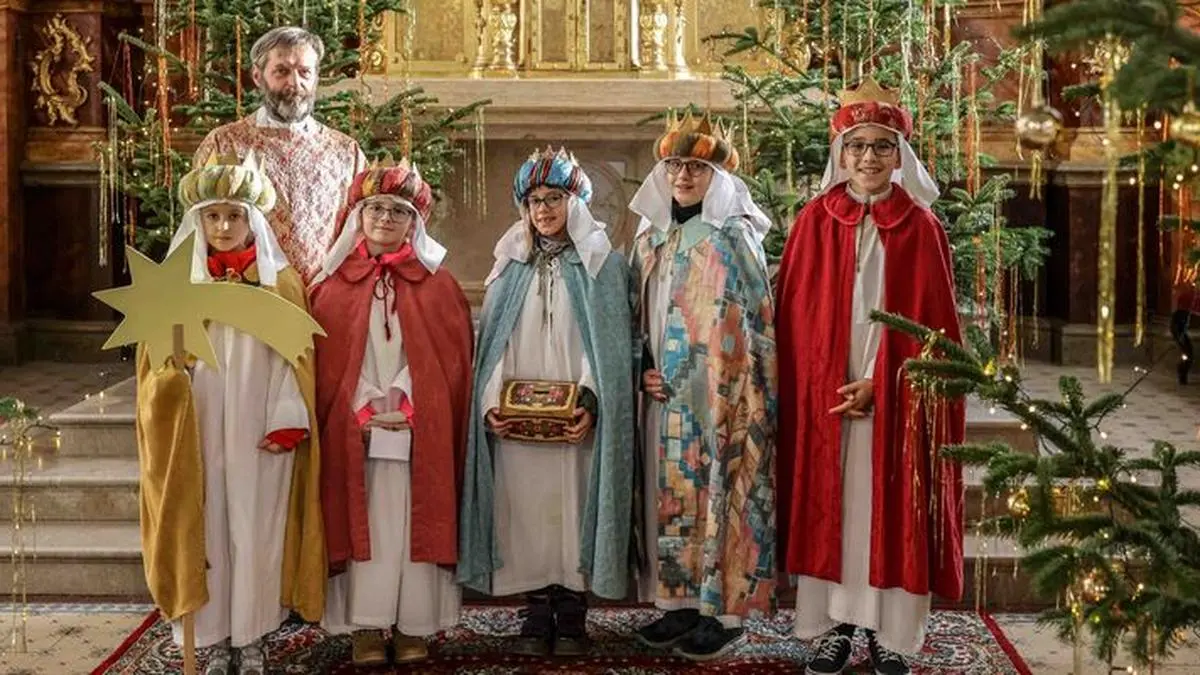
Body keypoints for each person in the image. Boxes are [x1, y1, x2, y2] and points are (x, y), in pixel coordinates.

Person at [775, 77, 966, 675]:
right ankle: (833, 627)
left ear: (900, 154)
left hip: (895, 402)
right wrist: (826, 383)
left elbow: (937, 332)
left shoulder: (921, 228)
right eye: (857, 145)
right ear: (841, 153)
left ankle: (890, 634)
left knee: (890, 510)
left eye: (882, 146)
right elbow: (794, 320)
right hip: (827, 399)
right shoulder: (814, 221)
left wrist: (883, 387)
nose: (868, 158)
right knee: (834, 511)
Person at [135, 151, 325, 675]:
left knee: (256, 526)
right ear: (197, 221)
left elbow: (296, 362)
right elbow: (152, 367)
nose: (223, 227)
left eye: (234, 216)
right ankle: (215, 636)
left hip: (260, 427)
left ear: (252, 220)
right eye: (212, 216)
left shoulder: (281, 284)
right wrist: (168, 384)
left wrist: (287, 417)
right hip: (198, 427)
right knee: (207, 528)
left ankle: (253, 633)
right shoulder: (176, 288)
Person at [458, 148, 636, 657]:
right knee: (524, 511)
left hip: (576, 421)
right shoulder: (509, 266)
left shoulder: (604, 266)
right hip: (517, 422)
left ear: (575, 203)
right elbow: (493, 344)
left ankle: (573, 614)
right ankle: (536, 611)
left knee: (575, 505)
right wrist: (491, 402)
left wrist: (590, 400)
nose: (543, 210)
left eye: (554, 198)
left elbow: (608, 347)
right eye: (534, 201)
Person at [628, 111, 778, 661]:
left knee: (720, 492)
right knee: (671, 495)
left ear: (718, 177)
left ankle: (725, 611)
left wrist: (731, 382)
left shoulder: (734, 236)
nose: (683, 176)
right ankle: (680, 604)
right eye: (674, 166)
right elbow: (636, 310)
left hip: (722, 394)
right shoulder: (651, 236)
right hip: (664, 393)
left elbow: (756, 323)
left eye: (696, 168)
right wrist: (641, 365)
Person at [311, 160, 472, 667]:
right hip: (353, 428)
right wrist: (360, 409)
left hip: (417, 427)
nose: (385, 218)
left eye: (398, 211)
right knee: (363, 522)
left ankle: (411, 624)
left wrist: (407, 403)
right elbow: (325, 363)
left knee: (410, 523)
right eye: (376, 208)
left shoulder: (439, 285)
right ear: (357, 216)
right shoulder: (330, 286)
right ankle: (364, 625)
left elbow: (449, 362)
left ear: (414, 222)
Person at [193, 25, 366, 282]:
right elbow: (201, 228)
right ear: (257, 76)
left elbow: (362, 229)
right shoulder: (224, 142)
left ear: (316, 76)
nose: (294, 83)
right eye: (282, 71)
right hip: (249, 291)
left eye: (305, 72)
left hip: (327, 291)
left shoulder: (346, 151)